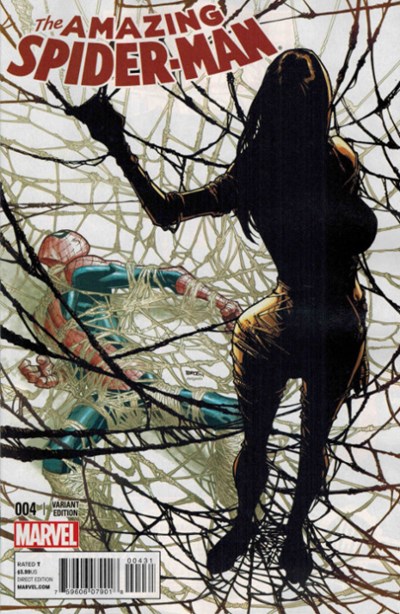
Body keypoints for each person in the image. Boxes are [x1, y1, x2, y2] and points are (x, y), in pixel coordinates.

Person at [54, 48, 377, 584]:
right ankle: (279, 532)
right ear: (323, 103)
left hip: (295, 320)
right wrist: (116, 144)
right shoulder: (333, 160)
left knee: (268, 439)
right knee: (303, 442)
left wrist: (117, 145)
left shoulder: (264, 170)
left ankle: (257, 527)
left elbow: (166, 210)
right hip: (334, 321)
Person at [20, 229, 242, 474]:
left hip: (134, 382)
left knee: (234, 414)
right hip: (102, 398)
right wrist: (58, 374)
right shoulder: (45, 315)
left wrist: (220, 302)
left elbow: (169, 275)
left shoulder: (79, 273)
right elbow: (81, 361)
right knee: (55, 462)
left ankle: (246, 452)